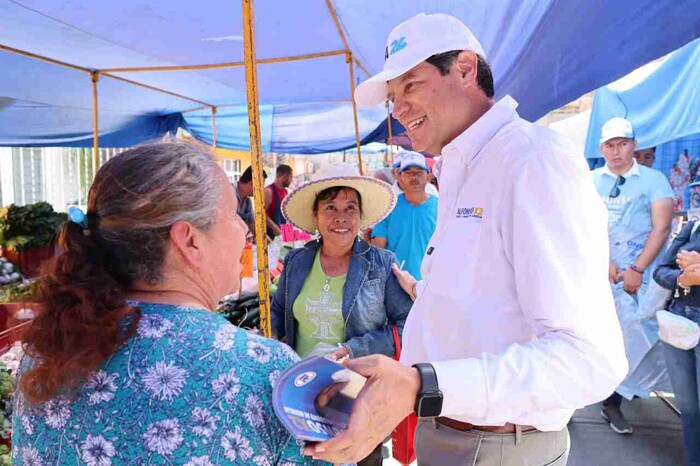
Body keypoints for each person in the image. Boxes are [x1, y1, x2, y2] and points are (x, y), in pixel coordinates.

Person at [304, 13, 628, 465]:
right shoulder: (462, 166)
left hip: (497, 445)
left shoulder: (532, 162)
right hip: (452, 432)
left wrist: (423, 385)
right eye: (392, 97)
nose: (398, 108)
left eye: (411, 85)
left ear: (465, 69)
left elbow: (589, 360)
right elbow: (482, 298)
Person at [12, 141, 312, 465]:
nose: (243, 229)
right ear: (189, 240)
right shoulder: (267, 374)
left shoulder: (44, 355)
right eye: (231, 215)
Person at [271, 164, 413, 466]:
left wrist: (353, 349)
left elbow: (406, 325)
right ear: (316, 215)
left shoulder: (380, 263)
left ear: (360, 217)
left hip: (356, 394)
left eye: (351, 208)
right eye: (330, 207)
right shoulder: (296, 260)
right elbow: (279, 310)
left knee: (357, 458)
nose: (341, 217)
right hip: (301, 395)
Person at [592, 117, 674, 434]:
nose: (616, 152)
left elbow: (662, 227)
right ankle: (572, 399)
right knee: (588, 332)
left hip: (637, 276)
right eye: (610, 145)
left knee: (635, 336)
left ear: (633, 145)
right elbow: (579, 222)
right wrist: (603, 260)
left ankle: (613, 401)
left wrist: (637, 268)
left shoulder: (654, 180)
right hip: (597, 271)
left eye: (622, 144)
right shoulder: (590, 180)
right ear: (602, 148)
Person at [653, 221, 700, 466]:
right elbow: (661, 271)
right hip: (679, 322)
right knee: (689, 409)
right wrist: (683, 278)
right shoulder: (692, 226)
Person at [372, 152, 438, 280]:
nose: (414, 177)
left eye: (419, 172)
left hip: (431, 282)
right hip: (396, 283)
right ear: (399, 177)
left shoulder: (441, 207)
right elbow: (378, 250)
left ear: (428, 176)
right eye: (408, 173)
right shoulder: (387, 207)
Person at [234, 165, 267, 237]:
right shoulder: (228, 193)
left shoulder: (247, 201)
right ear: (252, 183)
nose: (261, 191)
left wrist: (271, 244)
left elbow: (253, 227)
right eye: (260, 187)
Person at [265, 164, 293, 237]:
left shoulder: (285, 192)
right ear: (283, 176)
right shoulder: (268, 191)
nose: (291, 180)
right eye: (291, 177)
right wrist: (275, 228)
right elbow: (261, 214)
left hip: (281, 234)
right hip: (270, 235)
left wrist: (288, 236)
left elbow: (286, 215)